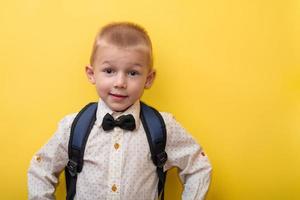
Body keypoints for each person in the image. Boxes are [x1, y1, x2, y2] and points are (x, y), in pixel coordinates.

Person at [28, 22, 212, 200]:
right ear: (92, 74)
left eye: (132, 73)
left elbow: (198, 166)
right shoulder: (73, 127)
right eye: (109, 70)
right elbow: (40, 169)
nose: (120, 83)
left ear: (148, 79)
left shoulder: (164, 126)